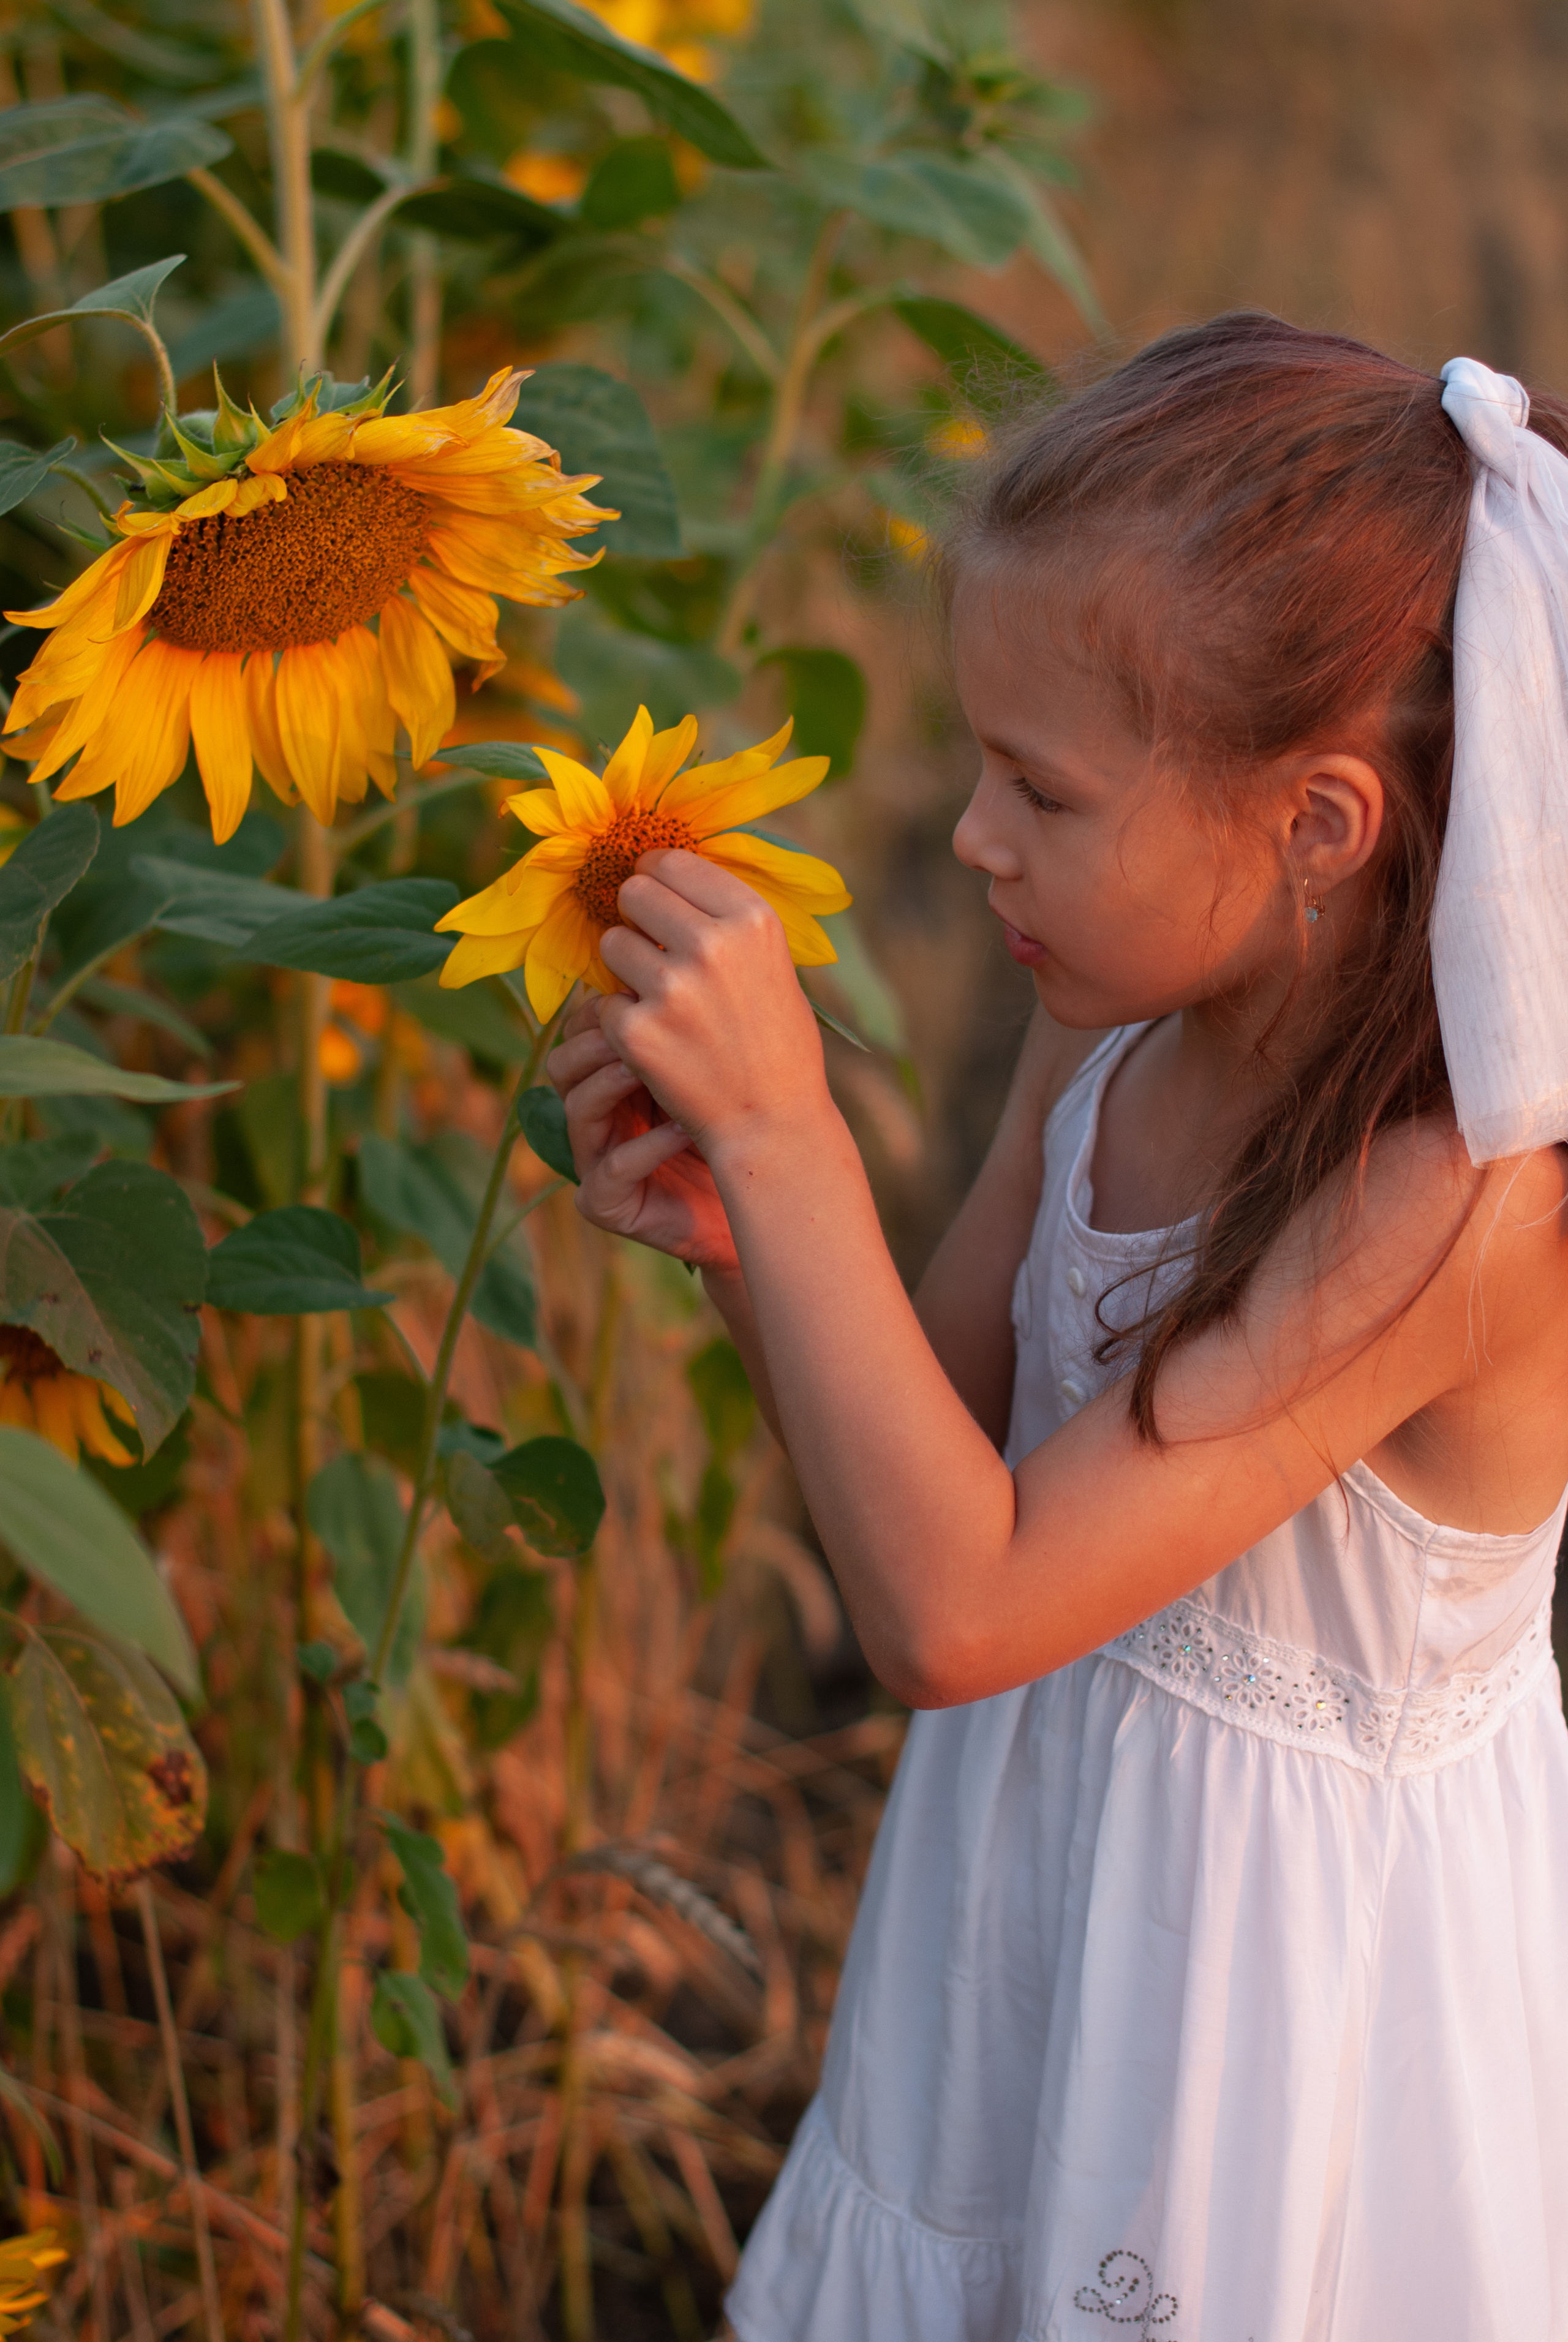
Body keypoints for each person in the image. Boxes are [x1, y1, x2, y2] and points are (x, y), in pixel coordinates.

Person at [546, 315, 1568, 2340]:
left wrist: (796, 1136)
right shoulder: (1115, 1028)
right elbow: (934, 1461)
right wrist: (749, 1230)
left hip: (1269, 2007)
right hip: (1034, 1893)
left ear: (1318, 827)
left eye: (1044, 788)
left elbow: (954, 1618)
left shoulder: (1451, 1204)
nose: (973, 841)